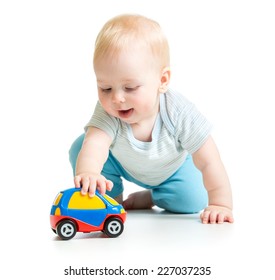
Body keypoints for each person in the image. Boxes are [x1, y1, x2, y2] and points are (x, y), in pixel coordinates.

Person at [69, 14, 234, 224]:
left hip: (170, 170)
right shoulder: (108, 109)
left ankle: (153, 196)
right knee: (81, 147)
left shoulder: (179, 112)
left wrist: (221, 204)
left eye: (130, 88)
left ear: (162, 81)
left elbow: (210, 160)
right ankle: (109, 198)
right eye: (105, 88)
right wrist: (89, 172)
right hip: (120, 163)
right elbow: (95, 144)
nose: (117, 98)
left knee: (193, 199)